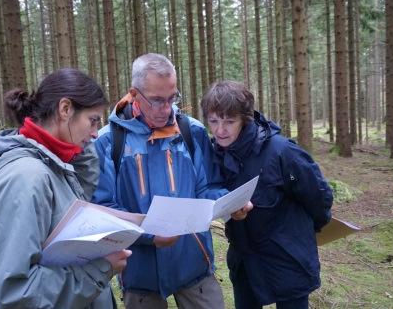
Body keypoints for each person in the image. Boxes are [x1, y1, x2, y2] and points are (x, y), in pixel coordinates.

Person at [92, 53, 249, 309]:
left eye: (172, 98)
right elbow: (105, 208)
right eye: (156, 100)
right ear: (134, 94)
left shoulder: (191, 131)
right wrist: (150, 235)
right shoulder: (108, 142)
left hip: (194, 262)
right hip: (139, 271)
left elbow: (207, 187)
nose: (167, 109)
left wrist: (229, 204)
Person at [0, 68, 131, 309]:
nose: (97, 133)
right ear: (65, 109)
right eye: (93, 120)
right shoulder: (26, 179)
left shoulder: (58, 165)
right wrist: (101, 268)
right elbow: (16, 291)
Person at [200, 80, 334, 309]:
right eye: (213, 121)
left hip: (287, 258)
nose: (220, 130)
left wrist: (301, 236)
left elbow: (319, 197)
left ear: (245, 118)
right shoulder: (215, 155)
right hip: (245, 260)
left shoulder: (282, 152)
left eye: (229, 122)